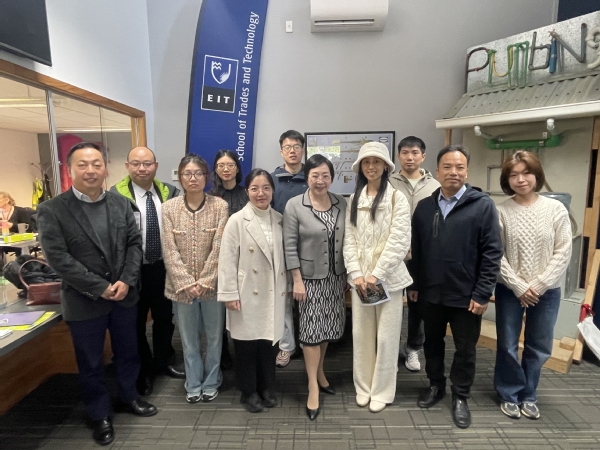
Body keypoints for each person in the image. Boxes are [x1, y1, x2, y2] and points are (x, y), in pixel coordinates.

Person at [37, 142, 156, 446]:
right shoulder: (52, 210)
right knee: (90, 362)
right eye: (83, 164)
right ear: (70, 169)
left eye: (97, 164)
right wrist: (99, 287)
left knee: (128, 352)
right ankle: (99, 413)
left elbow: (134, 244)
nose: (90, 170)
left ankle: (129, 397)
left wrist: (127, 280)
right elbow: (58, 258)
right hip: (84, 300)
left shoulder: (121, 204)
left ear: (105, 169)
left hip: (124, 296)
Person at [409, 145, 503, 429]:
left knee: (465, 349)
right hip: (430, 292)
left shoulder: (482, 205)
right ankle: (435, 385)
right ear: (437, 171)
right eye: (447, 167)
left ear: (467, 171)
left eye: (459, 167)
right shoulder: (424, 207)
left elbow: (492, 252)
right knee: (432, 343)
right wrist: (414, 284)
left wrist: (483, 292)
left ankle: (461, 396)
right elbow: (416, 249)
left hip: (467, 295)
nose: (453, 172)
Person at [494, 151, 572, 420]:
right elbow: (496, 254)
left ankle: (528, 394)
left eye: (526, 173)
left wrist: (538, 285)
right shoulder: (500, 211)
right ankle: (508, 393)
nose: (521, 179)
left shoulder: (555, 209)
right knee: (507, 344)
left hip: (547, 291)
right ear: (507, 180)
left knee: (539, 345)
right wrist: (518, 285)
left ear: (537, 175)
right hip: (509, 289)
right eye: (514, 175)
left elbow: (564, 250)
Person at [343, 142, 412, 413]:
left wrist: (377, 274)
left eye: (376, 161)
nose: (371, 166)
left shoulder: (397, 198)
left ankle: (382, 391)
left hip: (389, 282)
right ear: (360, 166)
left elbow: (399, 240)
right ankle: (363, 387)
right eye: (366, 162)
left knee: (386, 339)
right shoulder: (354, 199)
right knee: (361, 336)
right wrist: (357, 273)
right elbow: (349, 240)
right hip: (360, 283)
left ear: (385, 166)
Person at [110, 147, 184, 397]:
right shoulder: (116, 196)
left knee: (164, 318)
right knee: (136, 322)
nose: (142, 168)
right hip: (132, 270)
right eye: (136, 163)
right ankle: (144, 367)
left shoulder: (169, 193)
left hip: (163, 267)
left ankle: (163, 361)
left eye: (147, 163)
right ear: (128, 166)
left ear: (156, 165)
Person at [218, 169, 287, 413]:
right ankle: (248, 391)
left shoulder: (279, 219)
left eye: (266, 188)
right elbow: (226, 260)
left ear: (272, 190)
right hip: (246, 291)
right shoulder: (237, 220)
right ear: (247, 191)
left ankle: (266, 386)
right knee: (246, 346)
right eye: (255, 188)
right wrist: (229, 294)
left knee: (268, 344)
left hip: (273, 291)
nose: (261, 193)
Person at [283, 154, 346, 421]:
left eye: (325, 176)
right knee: (310, 333)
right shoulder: (295, 205)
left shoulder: (341, 202)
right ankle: (312, 386)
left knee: (328, 328)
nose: (320, 181)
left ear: (332, 177)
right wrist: (297, 280)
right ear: (306, 177)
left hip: (335, 278)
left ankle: (320, 372)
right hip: (308, 280)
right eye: (315, 176)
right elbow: (289, 246)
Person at [161, 154, 228, 404]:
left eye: (198, 173)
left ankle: (211, 380)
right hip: (181, 289)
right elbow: (169, 250)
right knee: (188, 340)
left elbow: (220, 247)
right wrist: (186, 283)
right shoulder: (169, 208)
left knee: (214, 338)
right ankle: (193, 382)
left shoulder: (219, 206)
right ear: (180, 177)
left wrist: (206, 280)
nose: (193, 178)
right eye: (187, 173)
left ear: (206, 177)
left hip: (212, 287)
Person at [389, 136, 440, 372]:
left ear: (423, 156)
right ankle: (390, 346)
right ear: (398, 156)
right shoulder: (388, 183)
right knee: (390, 303)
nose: (410, 157)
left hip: (422, 255)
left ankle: (413, 347)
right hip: (392, 254)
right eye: (405, 153)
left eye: (415, 153)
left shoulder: (435, 186)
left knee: (417, 304)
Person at [271, 130, 308, 367]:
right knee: (283, 298)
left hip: (308, 247)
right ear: (281, 151)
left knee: (306, 298)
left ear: (303, 150)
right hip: (281, 248)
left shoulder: (312, 175)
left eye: (296, 146)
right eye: (287, 147)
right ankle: (286, 346)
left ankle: (308, 341)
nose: (292, 151)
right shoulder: (272, 179)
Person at [210, 149, 249, 370]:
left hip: (246, 259)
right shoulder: (210, 197)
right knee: (220, 311)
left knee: (242, 308)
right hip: (219, 261)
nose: (226, 169)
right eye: (221, 165)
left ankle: (243, 351)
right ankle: (223, 353)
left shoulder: (247, 194)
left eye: (230, 165)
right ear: (215, 169)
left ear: (237, 168)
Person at [0, 191, 35, 258]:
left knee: (20, 248)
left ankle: (21, 263)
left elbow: (28, 227)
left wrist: (12, 225)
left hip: (19, 241)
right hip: (3, 241)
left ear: (7, 200)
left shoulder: (20, 211)